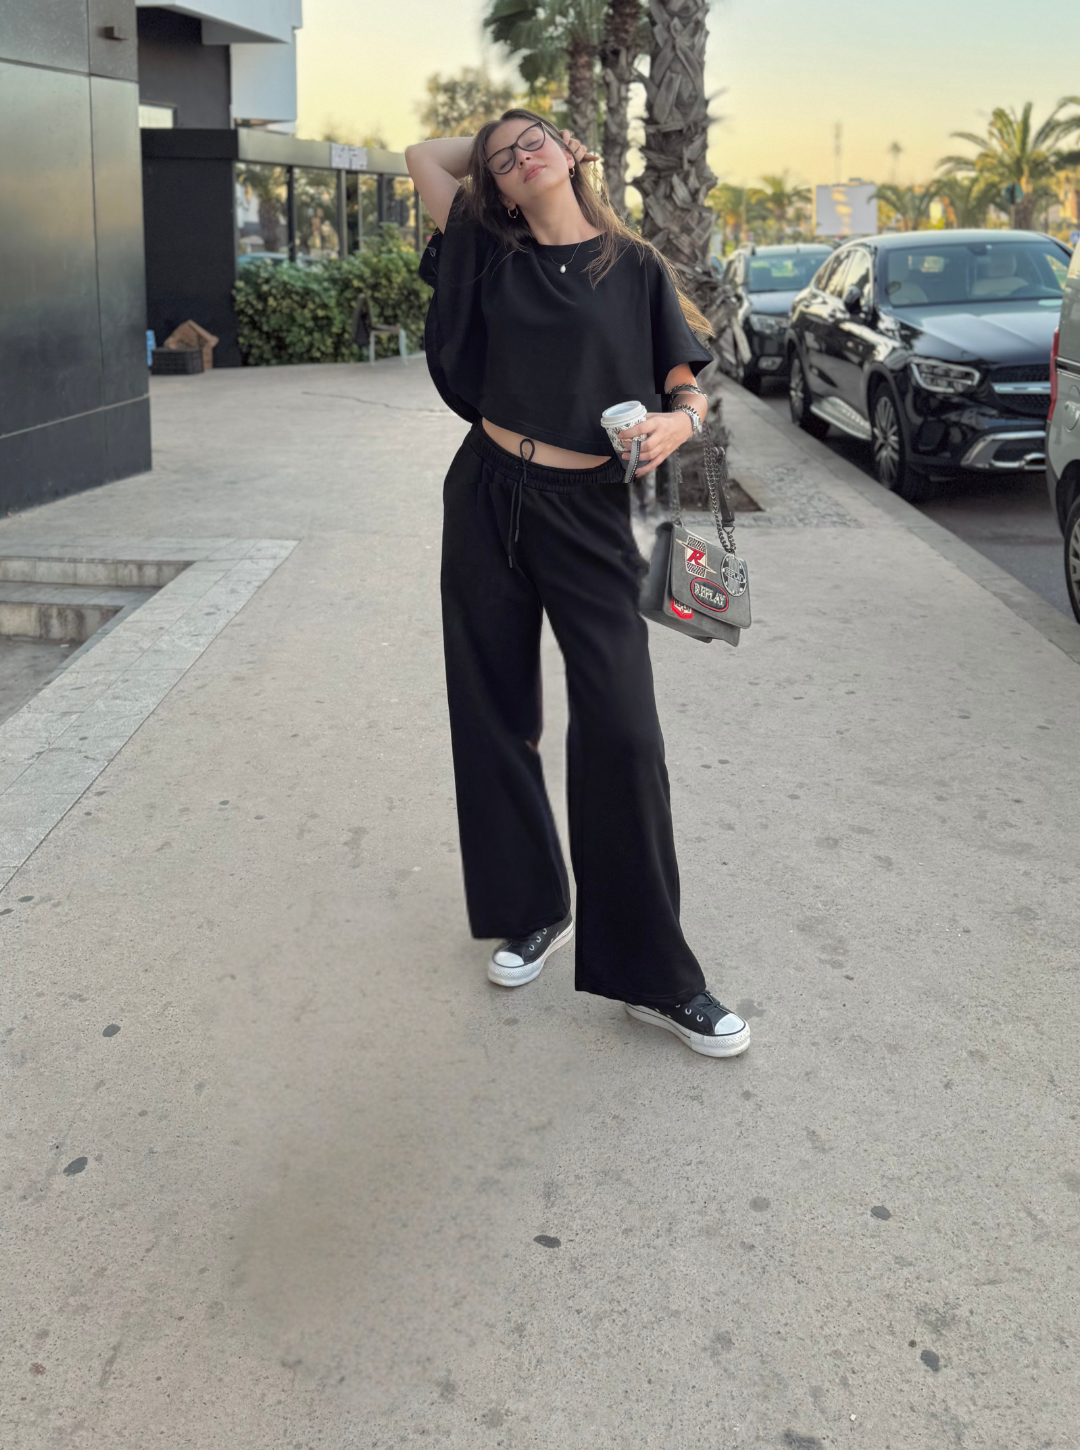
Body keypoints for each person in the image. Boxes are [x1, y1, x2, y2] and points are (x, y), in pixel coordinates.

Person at [405, 110, 749, 1059]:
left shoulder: (631, 266)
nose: (521, 157)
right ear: (496, 186)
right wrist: (494, 149)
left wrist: (681, 422)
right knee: (492, 709)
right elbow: (422, 156)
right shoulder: (487, 246)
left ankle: (653, 976)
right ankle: (532, 909)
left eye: (537, 141)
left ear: (574, 152)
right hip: (485, 493)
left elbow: (686, 381)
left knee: (625, 731)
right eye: (502, 158)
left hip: (586, 511)